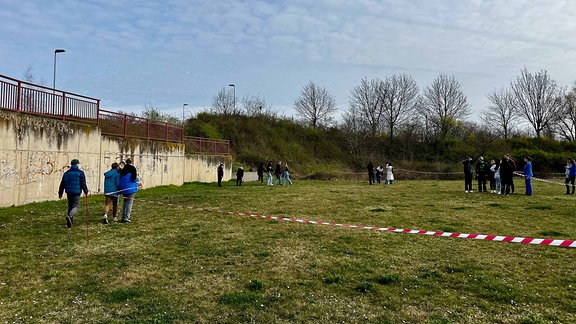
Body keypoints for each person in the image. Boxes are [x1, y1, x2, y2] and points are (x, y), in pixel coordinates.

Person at [58, 159, 89, 228]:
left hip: (68, 191)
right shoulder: (80, 173)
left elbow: (62, 184)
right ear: (77, 165)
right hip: (76, 192)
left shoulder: (66, 173)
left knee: (70, 206)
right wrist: (86, 191)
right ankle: (70, 216)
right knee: (76, 206)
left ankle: (70, 221)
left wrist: (60, 193)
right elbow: (83, 183)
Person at [119, 158, 139, 223]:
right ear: (132, 162)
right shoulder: (133, 168)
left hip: (123, 187)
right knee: (129, 203)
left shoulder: (123, 169)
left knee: (125, 202)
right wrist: (138, 181)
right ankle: (127, 218)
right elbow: (133, 178)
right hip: (131, 187)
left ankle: (123, 216)